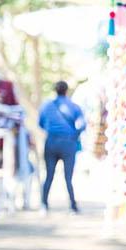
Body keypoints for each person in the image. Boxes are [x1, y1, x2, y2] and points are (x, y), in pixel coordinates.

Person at [38, 80, 86, 213]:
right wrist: (74, 134)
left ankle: (44, 205)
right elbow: (82, 125)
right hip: (68, 143)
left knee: (49, 175)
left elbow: (40, 123)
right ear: (66, 90)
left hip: (51, 142)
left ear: (55, 90)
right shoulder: (74, 106)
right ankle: (73, 206)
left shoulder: (46, 106)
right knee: (68, 177)